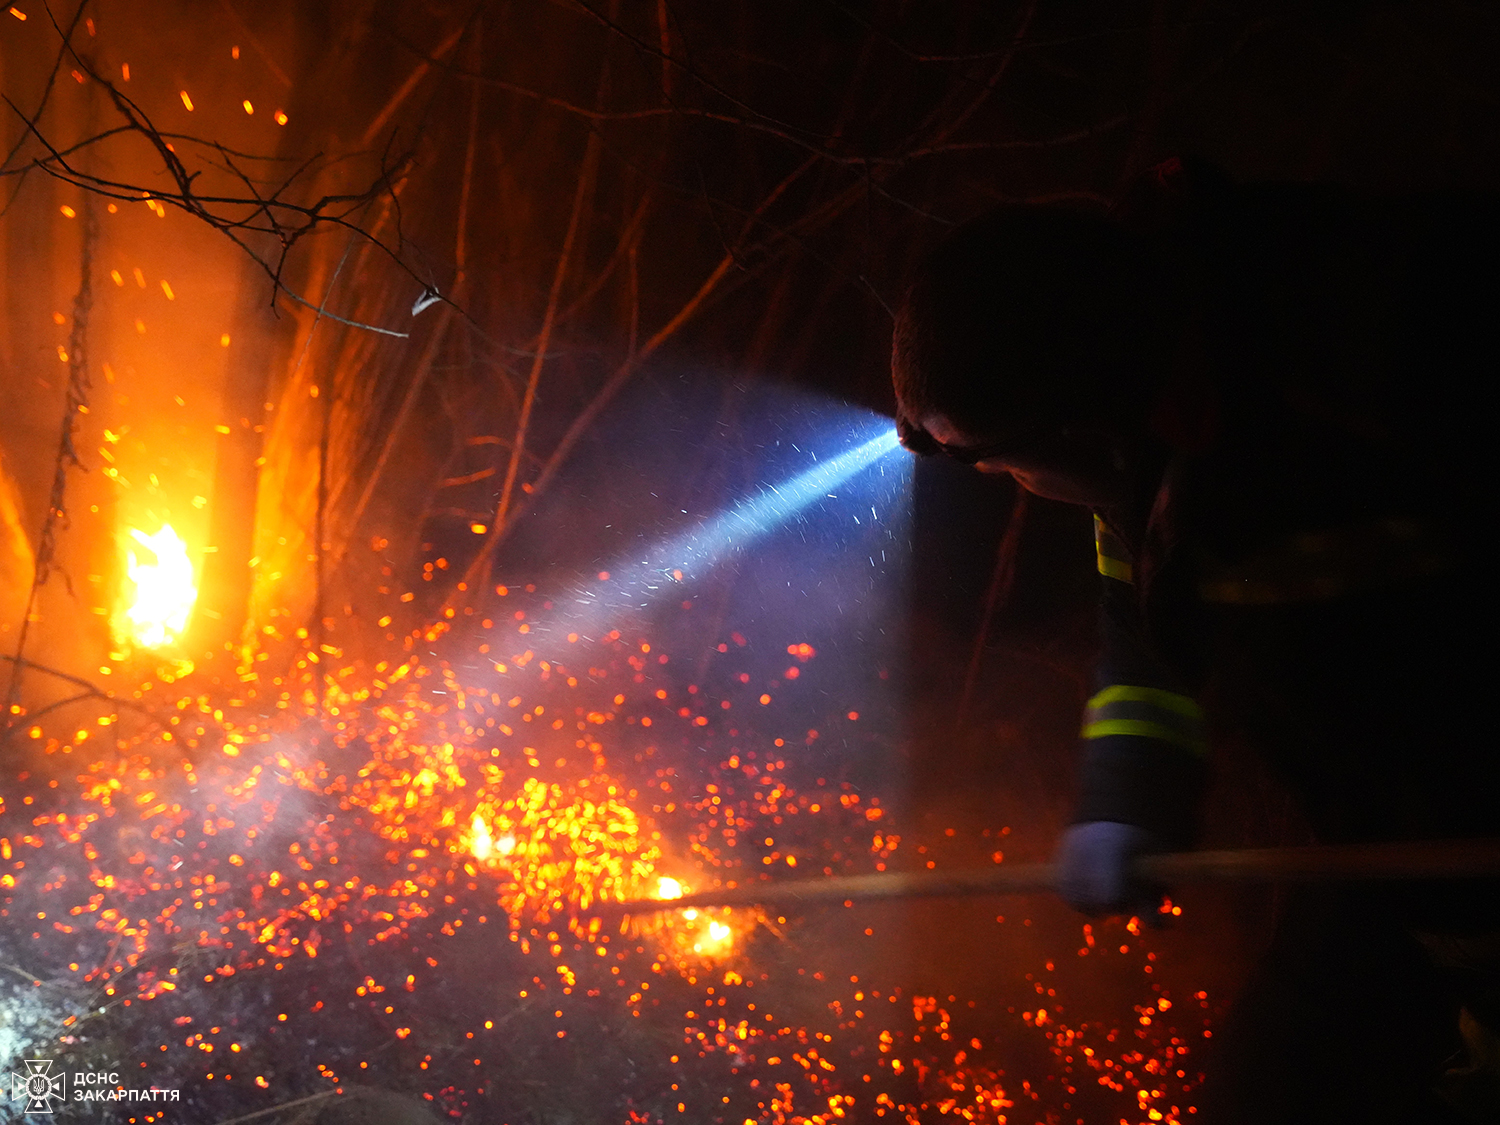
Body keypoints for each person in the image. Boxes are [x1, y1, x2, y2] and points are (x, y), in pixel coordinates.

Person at [891, 158, 1500, 1122]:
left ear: (1083, 427)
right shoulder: (1152, 455)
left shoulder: (1396, 339)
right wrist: (1128, 798)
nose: (1006, 485)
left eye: (998, 462)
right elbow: (1143, 635)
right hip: (1391, 851)